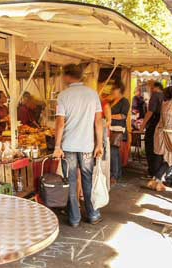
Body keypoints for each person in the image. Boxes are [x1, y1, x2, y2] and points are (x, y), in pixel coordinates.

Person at [53, 64, 103, 227]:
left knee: (71, 182)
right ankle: (93, 215)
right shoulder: (92, 94)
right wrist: (99, 144)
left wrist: (57, 146)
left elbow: (60, 123)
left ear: (67, 76)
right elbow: (98, 122)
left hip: (68, 146)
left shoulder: (63, 95)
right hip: (87, 146)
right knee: (87, 181)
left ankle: (74, 218)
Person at [140, 82, 164, 178]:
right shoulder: (164, 95)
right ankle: (157, 172)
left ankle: (152, 171)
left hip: (154, 123)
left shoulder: (155, 95)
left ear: (154, 87)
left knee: (150, 146)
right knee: (158, 148)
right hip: (161, 124)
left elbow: (150, 112)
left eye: (150, 87)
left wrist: (143, 124)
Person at [109, 81, 130, 184]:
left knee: (114, 152)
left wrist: (109, 116)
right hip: (109, 128)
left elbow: (123, 116)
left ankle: (115, 175)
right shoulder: (111, 100)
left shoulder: (124, 101)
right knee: (112, 152)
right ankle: (115, 174)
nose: (112, 90)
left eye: (114, 89)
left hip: (118, 129)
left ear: (119, 90)